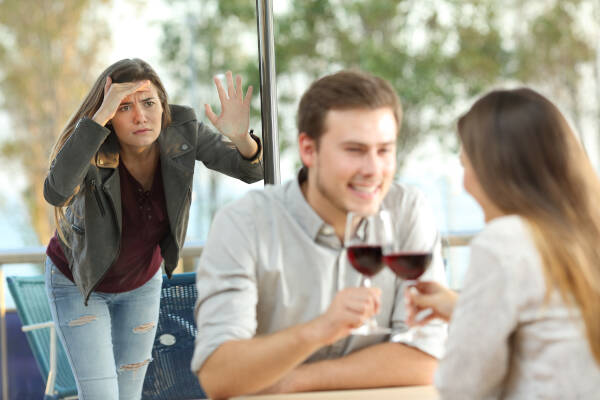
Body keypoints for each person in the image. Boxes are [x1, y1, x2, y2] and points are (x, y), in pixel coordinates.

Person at [192, 70, 447, 399]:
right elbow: (219, 374)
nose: (373, 170)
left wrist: (290, 380)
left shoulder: (406, 210)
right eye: (354, 150)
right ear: (308, 150)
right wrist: (316, 332)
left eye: (384, 150)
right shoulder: (244, 224)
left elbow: (426, 359)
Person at [43, 58, 263, 400]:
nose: (140, 116)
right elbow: (56, 191)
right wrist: (97, 119)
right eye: (123, 107)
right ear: (109, 117)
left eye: (148, 103)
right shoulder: (93, 144)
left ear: (163, 106)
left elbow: (251, 171)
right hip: (79, 283)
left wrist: (242, 139)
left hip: (141, 284)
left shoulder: (183, 132)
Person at [406, 88, 600, 399]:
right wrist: (463, 309)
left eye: (464, 166)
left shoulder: (506, 240)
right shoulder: (585, 236)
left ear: (494, 171)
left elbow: (462, 387)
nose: (464, 183)